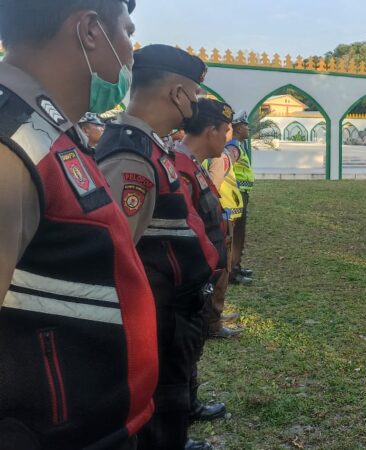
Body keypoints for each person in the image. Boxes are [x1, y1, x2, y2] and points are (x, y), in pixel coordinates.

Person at [0, 1, 159, 449]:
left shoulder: (52, 130)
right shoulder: (12, 140)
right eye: (127, 32)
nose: (131, 53)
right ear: (91, 30)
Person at [94, 44, 219, 450]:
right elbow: (114, 255)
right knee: (160, 411)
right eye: (194, 95)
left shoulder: (153, 147)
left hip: (172, 313)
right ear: (176, 94)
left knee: (172, 403)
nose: (196, 104)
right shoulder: (132, 155)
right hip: (157, 317)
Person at [174, 99, 236, 441]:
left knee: (190, 349)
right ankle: (176, 426)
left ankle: (189, 404)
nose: (227, 139)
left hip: (200, 278)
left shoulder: (193, 164)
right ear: (211, 130)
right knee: (177, 355)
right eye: (225, 131)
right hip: (184, 282)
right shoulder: (180, 166)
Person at [205, 136, 246, 338]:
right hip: (222, 218)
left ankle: (216, 313)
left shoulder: (222, 155)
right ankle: (213, 321)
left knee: (224, 268)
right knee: (222, 269)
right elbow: (213, 187)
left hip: (225, 216)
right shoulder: (220, 158)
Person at [228, 111, 256, 284]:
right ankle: (232, 272)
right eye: (245, 126)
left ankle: (236, 266)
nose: (248, 128)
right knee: (235, 235)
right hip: (235, 195)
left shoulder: (239, 146)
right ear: (238, 129)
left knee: (240, 234)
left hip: (241, 194)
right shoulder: (233, 148)